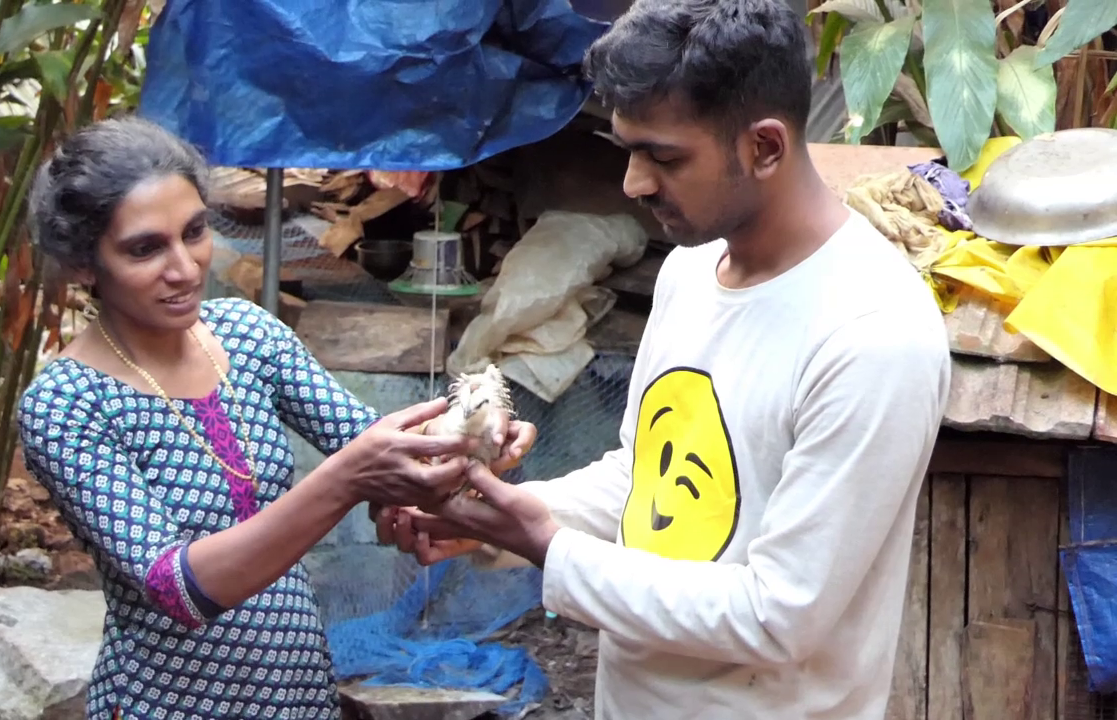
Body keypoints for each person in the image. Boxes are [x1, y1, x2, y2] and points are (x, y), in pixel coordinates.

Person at [379, 1, 953, 718]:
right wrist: (494, 515)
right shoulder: (692, 269)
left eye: (664, 156)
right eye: (628, 150)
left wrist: (547, 546)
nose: (634, 184)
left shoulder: (874, 332)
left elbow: (779, 614)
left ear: (765, 147)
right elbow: (648, 475)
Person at [15, 116, 536, 720]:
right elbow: (177, 588)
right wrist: (344, 481)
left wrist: (476, 432)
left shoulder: (248, 335)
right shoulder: (68, 403)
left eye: (194, 232)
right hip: (168, 704)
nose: (184, 267)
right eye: (144, 248)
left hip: (300, 695)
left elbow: (384, 446)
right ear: (84, 264)